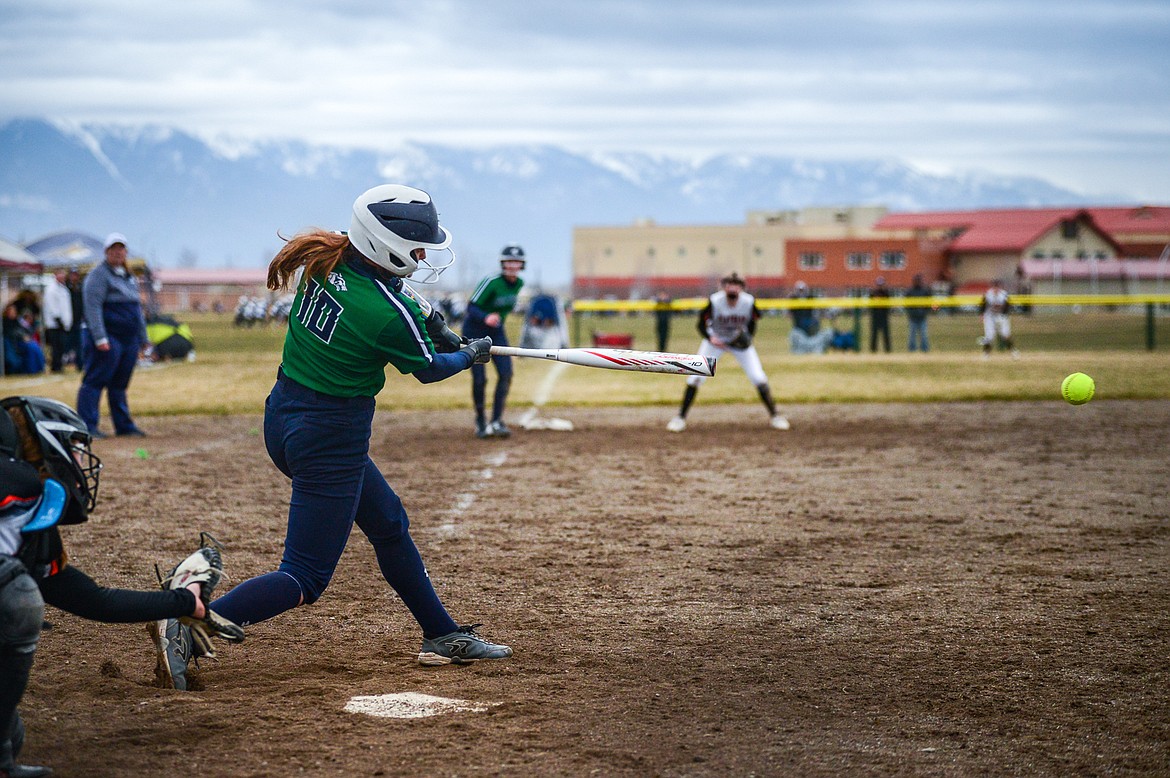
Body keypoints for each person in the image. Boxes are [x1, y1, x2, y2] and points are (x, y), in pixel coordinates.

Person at [150, 183, 510, 692]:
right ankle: (187, 620)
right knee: (304, 577)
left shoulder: (333, 257)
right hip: (330, 440)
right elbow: (430, 369)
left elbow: (396, 296)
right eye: (417, 246)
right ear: (385, 244)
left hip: (285, 417)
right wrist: (469, 353)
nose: (424, 255)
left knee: (388, 523)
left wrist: (433, 322)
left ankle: (440, 633)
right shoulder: (386, 314)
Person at [0, 395, 243, 772]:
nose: (82, 462)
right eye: (76, 449)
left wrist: (185, 601)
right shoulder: (19, 483)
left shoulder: (29, 521)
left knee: (10, 734)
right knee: (17, 597)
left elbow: (95, 601)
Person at [667, 272, 789, 432]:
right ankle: (680, 418)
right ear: (723, 287)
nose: (732, 288)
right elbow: (700, 324)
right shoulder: (715, 301)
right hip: (716, 341)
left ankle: (775, 416)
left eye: (736, 284)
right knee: (695, 377)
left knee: (758, 377)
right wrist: (711, 338)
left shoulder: (748, 302)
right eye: (729, 284)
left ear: (742, 288)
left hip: (738, 342)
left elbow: (753, 323)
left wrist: (747, 338)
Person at [77, 234, 150, 438]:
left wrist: (143, 338)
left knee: (120, 383)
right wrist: (100, 337)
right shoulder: (98, 276)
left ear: (126, 252)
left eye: (121, 249)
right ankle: (87, 425)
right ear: (106, 252)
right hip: (109, 337)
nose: (118, 253)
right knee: (95, 380)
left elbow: (136, 310)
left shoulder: (128, 276)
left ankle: (123, 425)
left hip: (128, 338)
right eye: (113, 249)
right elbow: (93, 309)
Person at [463, 244, 525, 439]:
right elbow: (471, 306)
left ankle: (497, 420)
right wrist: (486, 317)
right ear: (502, 263)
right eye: (508, 261)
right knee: (480, 379)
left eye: (516, 262)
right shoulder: (491, 281)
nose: (512, 265)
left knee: (506, 374)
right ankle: (481, 420)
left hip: (497, 332)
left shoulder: (519, 284)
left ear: (522, 264)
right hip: (475, 330)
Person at [41, 269, 73, 374]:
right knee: (56, 346)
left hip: (64, 322)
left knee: (62, 345)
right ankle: (55, 366)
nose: (62, 276)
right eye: (60, 274)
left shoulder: (63, 288)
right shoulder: (51, 289)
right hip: (55, 324)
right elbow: (52, 306)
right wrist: (58, 319)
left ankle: (59, 365)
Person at [979, 278, 1019, 359]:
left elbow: (1008, 306)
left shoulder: (1004, 295)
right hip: (990, 316)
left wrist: (1003, 315)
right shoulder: (988, 294)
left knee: (1005, 335)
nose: (996, 289)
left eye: (997, 287)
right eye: (994, 287)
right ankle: (986, 354)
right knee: (989, 336)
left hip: (1001, 316)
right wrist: (981, 314)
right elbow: (982, 304)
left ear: (1000, 287)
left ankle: (1014, 352)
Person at [2, 304, 44, 376]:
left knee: (34, 346)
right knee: (31, 347)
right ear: (7, 311)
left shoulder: (18, 321)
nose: (12, 312)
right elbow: (10, 333)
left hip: (22, 341)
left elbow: (27, 329)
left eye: (13, 310)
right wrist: (22, 336)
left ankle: (39, 368)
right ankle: (32, 370)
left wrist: (27, 335)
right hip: (13, 343)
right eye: (10, 310)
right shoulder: (4, 322)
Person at [904, 273, 932, 353]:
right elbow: (906, 304)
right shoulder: (909, 291)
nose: (917, 282)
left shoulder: (925, 291)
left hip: (922, 317)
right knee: (912, 335)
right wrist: (911, 313)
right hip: (913, 317)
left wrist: (925, 312)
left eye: (919, 280)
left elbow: (929, 303)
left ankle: (925, 349)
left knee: (924, 335)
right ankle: (912, 349)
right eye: (916, 280)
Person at [65, 267, 84, 371]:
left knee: (79, 344)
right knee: (67, 343)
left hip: (78, 320)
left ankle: (80, 364)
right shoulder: (65, 288)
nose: (74, 277)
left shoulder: (81, 287)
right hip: (67, 321)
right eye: (72, 274)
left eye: (76, 274)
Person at [869, 276, 891, 353]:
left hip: (884, 316)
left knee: (886, 334)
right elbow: (870, 306)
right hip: (875, 316)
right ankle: (873, 349)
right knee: (874, 333)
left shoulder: (886, 293)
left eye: (881, 284)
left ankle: (887, 349)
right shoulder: (872, 294)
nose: (880, 286)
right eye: (879, 284)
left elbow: (889, 306)